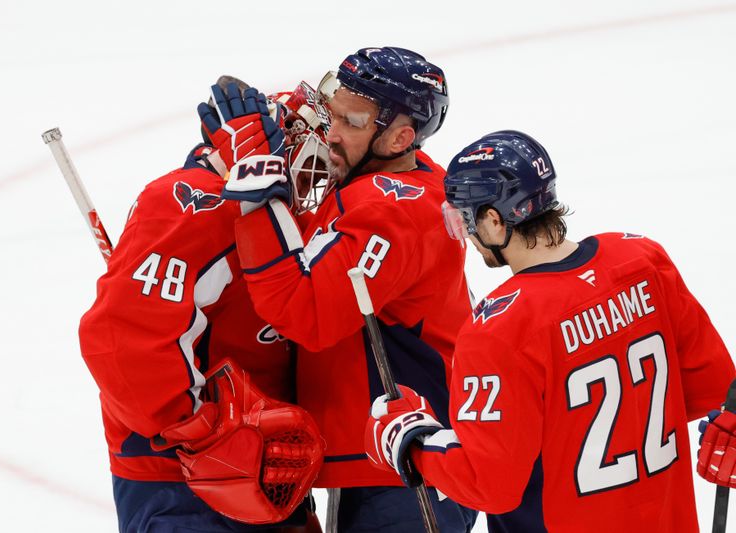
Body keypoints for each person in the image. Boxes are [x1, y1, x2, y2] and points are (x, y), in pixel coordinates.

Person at [364, 130, 736, 532]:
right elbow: (712, 388)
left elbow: (490, 483)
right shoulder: (641, 260)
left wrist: (413, 442)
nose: (467, 236)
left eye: (463, 220)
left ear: (492, 220)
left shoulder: (500, 326)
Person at [208, 47, 478, 531]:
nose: (330, 134)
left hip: (412, 469)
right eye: (330, 114)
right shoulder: (383, 175)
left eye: (350, 122)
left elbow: (303, 311)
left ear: (400, 137)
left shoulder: (398, 212)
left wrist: (253, 176)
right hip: (378, 456)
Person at [78, 78, 329, 533]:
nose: (319, 162)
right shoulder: (191, 203)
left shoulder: (285, 213)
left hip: (269, 471)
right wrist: (198, 431)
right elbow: (121, 339)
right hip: (183, 480)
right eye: (302, 141)